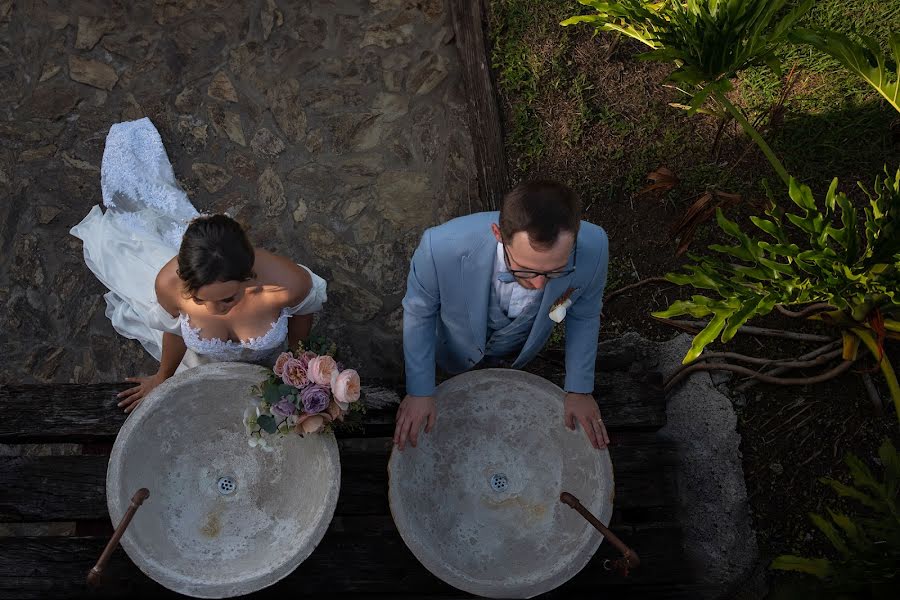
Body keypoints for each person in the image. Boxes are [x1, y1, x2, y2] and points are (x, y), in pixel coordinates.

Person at [70, 118, 326, 414]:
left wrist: (300, 375)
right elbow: (175, 331)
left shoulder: (289, 285)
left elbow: (301, 325)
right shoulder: (168, 286)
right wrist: (162, 376)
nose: (217, 310)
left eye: (229, 298)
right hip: (200, 367)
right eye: (202, 300)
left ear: (249, 277)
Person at [394, 180, 610, 451]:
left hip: (522, 354)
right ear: (498, 233)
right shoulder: (439, 248)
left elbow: (585, 315)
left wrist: (579, 389)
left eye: (555, 272)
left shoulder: (596, 247)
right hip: (451, 352)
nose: (540, 285)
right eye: (525, 270)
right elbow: (419, 313)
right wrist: (420, 391)